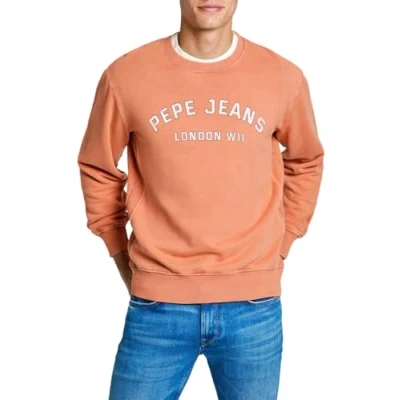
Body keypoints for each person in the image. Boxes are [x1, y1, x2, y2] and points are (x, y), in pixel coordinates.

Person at [77, 0, 324, 398]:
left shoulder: (283, 77)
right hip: (157, 308)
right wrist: (122, 257)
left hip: (254, 308)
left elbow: (306, 160)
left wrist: (281, 244)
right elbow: (98, 167)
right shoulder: (125, 76)